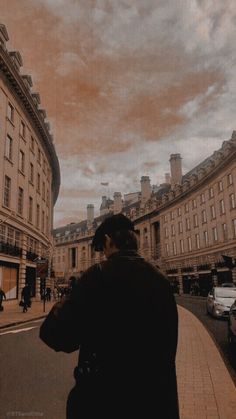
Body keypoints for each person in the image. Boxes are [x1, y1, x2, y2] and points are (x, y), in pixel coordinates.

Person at [40, 214, 179, 419]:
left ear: (107, 241)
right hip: (155, 403)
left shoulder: (97, 276)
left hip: (102, 401)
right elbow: (169, 346)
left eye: (102, 249)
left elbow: (53, 333)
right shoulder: (162, 282)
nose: (103, 255)